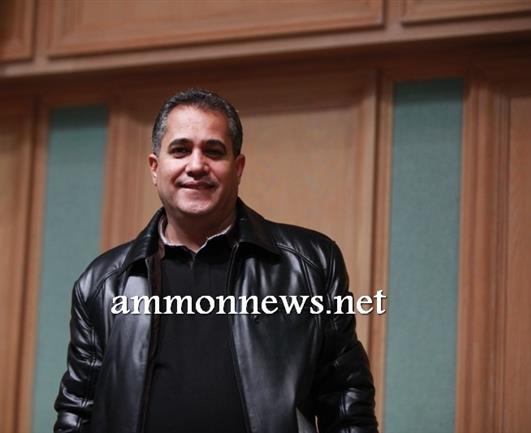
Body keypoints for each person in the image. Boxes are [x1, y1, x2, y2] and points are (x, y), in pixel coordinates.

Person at [54, 88, 377, 433]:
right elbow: (77, 414)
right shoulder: (101, 284)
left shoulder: (312, 264)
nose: (196, 166)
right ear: (155, 167)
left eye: (213, 151)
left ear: (238, 168)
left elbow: (347, 402)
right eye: (180, 150)